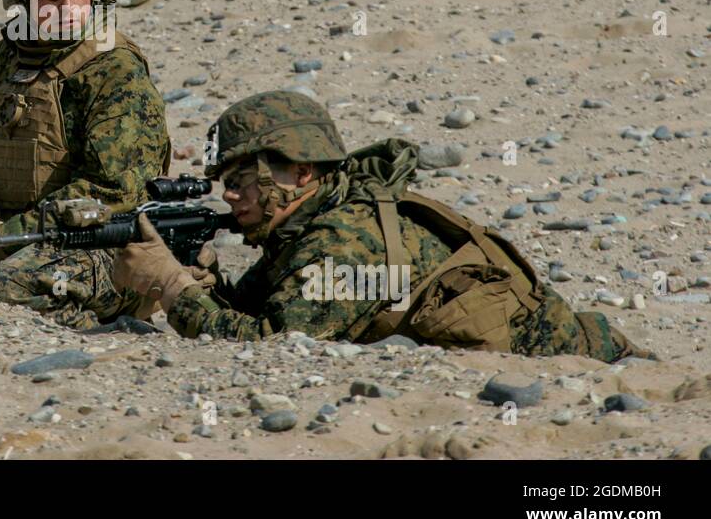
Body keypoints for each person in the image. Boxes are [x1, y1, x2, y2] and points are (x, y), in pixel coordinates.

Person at [112, 90, 652, 362]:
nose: (230, 194)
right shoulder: (310, 228)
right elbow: (257, 312)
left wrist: (169, 285)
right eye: (224, 179)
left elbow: (276, 346)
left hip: (590, 361)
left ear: (302, 172)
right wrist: (205, 286)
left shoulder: (345, 240)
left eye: (243, 176)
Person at [0, 0, 170, 329]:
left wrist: (6, 234)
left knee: (4, 290)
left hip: (109, 246)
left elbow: (112, 190)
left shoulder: (115, 69)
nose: (66, 4)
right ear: (21, 0)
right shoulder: (12, 56)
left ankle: (105, 330)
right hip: (34, 243)